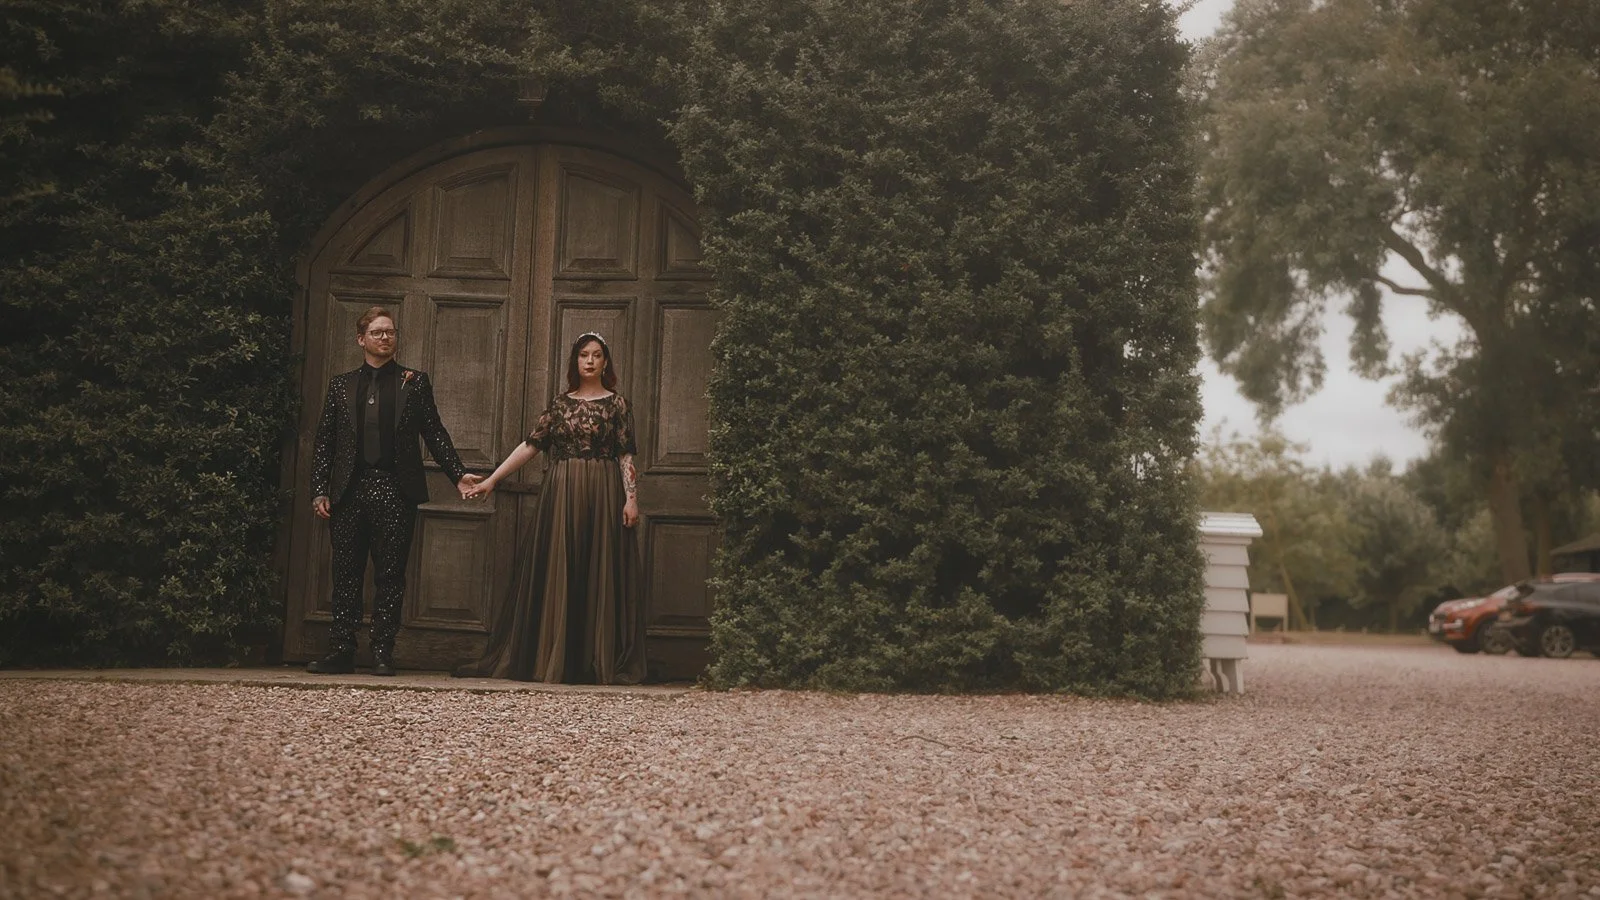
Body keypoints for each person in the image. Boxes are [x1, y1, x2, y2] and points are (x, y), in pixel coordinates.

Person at [455, 332, 646, 684]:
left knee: (598, 568)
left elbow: (625, 454)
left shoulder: (618, 405)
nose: (590, 361)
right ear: (575, 361)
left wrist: (631, 497)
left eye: (597, 355)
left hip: (604, 493)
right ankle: (559, 657)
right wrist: (492, 480)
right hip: (562, 494)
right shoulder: (560, 405)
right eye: (584, 355)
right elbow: (530, 446)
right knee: (564, 567)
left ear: (606, 362)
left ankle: (594, 660)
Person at [306, 307, 479, 676]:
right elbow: (326, 441)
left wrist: (458, 474)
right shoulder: (340, 385)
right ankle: (341, 649)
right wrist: (320, 489)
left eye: (390, 332)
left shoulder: (414, 382)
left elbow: (434, 432)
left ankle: (383, 650)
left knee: (391, 573)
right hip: (349, 491)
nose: (385, 338)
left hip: (395, 490)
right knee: (346, 571)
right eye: (377, 332)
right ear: (361, 339)